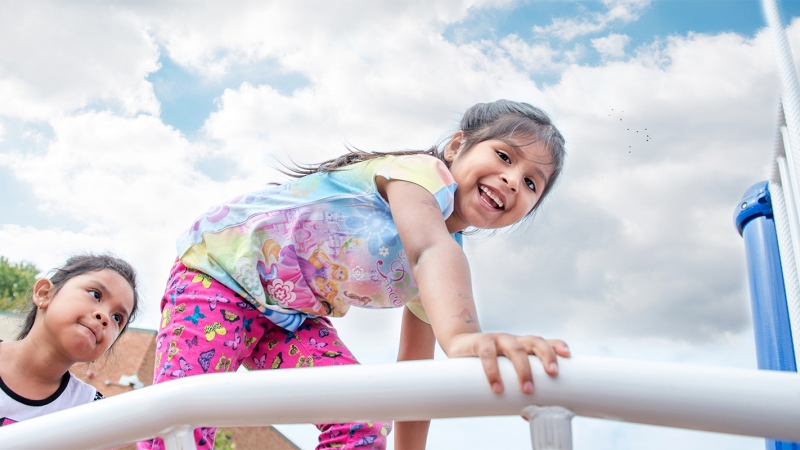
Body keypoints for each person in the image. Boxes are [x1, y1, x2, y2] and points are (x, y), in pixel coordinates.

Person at [140, 99, 571, 450]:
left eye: (532, 183)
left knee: (362, 421)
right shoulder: (419, 174)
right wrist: (462, 337)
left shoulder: (443, 268)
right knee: (185, 420)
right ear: (457, 147)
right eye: (503, 156)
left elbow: (414, 381)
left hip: (291, 318)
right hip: (219, 276)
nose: (513, 180)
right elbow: (427, 248)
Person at [0, 254, 140, 427]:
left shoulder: (93, 413)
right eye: (95, 294)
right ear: (44, 293)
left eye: (117, 318)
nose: (104, 317)